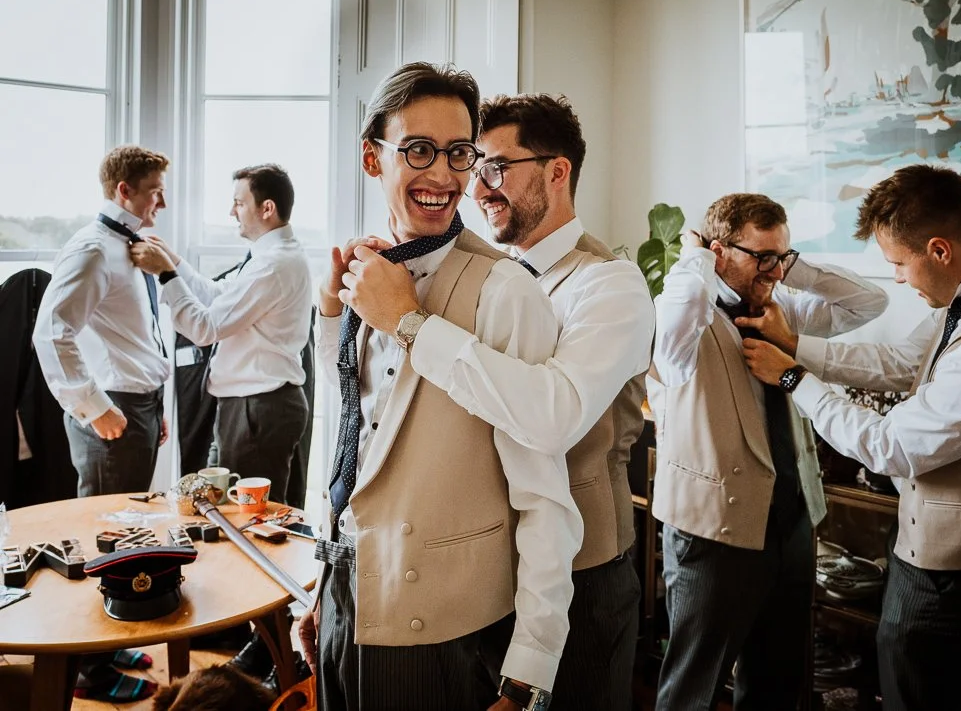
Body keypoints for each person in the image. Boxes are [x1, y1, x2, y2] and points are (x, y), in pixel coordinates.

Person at [345, 92, 655, 709]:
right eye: (475, 164)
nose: (477, 187)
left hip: (585, 572)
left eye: (495, 167)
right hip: (489, 578)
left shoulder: (609, 284)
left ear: (557, 171)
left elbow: (553, 415)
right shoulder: (472, 275)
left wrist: (410, 324)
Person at [296, 62, 582, 711]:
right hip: (344, 597)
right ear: (372, 158)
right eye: (419, 149)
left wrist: (528, 670)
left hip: (446, 633)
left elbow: (543, 495)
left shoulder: (505, 291)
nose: (445, 175)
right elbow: (352, 443)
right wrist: (323, 586)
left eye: (459, 153)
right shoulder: (358, 276)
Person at [743, 164, 961, 711]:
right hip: (951, 546)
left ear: (939, 250)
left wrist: (792, 379)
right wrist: (796, 345)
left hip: (955, 569)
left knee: (913, 686)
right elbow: (902, 360)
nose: (897, 278)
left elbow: (887, 446)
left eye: (898, 263)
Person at [649, 192, 889, 710]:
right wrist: (694, 258)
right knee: (693, 689)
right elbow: (678, 313)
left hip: (792, 522)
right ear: (717, 252)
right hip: (713, 533)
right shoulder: (686, 318)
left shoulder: (783, 310)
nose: (775, 271)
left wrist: (788, 267)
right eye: (762, 256)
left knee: (778, 683)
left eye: (782, 256)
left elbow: (869, 301)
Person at [32, 144, 173, 703]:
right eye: (155, 191)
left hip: (140, 406)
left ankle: (110, 643)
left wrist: (157, 408)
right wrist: (95, 407)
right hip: (112, 411)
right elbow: (51, 333)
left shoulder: (131, 249)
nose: (162, 202)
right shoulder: (93, 249)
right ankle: (88, 668)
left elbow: (134, 337)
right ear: (124, 190)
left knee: (126, 532)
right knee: (104, 535)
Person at [130, 164, 311, 503]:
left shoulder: (272, 265)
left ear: (267, 208)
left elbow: (206, 328)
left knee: (249, 517)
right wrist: (176, 263)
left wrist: (166, 275)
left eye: (239, 203)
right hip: (253, 404)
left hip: (257, 408)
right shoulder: (271, 257)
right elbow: (216, 295)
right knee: (232, 507)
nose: (232, 212)